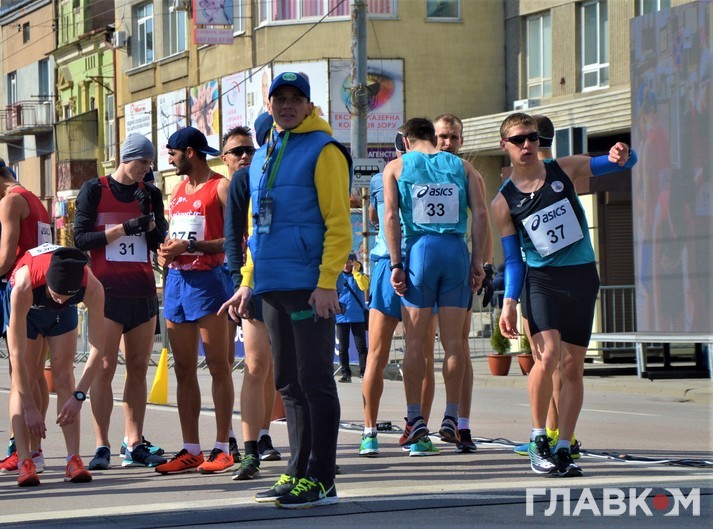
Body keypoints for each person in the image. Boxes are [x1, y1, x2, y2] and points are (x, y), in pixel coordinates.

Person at [220, 72, 352, 509]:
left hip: (309, 287)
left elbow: (339, 224)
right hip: (272, 285)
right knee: (289, 383)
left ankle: (322, 478)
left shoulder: (325, 150)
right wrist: (246, 281)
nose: (288, 105)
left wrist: (327, 282)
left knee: (315, 380)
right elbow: (258, 230)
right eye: (281, 99)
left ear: (309, 105)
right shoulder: (263, 155)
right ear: (270, 104)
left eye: (297, 99)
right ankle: (296, 471)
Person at [492, 112, 637, 477]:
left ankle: (563, 446)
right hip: (542, 281)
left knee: (573, 367)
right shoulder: (503, 202)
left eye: (532, 137)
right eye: (518, 140)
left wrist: (623, 154)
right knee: (548, 357)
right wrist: (508, 303)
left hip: (582, 276)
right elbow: (514, 260)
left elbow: (621, 163)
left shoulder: (564, 169)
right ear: (505, 145)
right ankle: (538, 438)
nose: (527, 145)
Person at [383, 118, 488, 458]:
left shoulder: (396, 167)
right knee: (455, 343)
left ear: (406, 140)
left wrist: (396, 264)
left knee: (416, 342)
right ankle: (452, 417)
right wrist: (478, 262)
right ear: (433, 137)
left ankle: (415, 418)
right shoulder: (463, 167)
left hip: (420, 252)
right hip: (455, 251)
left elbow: (390, 217)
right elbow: (481, 214)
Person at [73, 134, 168, 470]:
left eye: (150, 162)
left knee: (139, 370)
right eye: (142, 161)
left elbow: (158, 241)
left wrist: (150, 221)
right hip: (107, 293)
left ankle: (134, 442)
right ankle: (102, 445)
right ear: (126, 158)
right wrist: (123, 228)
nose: (146, 168)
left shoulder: (150, 193)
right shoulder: (95, 189)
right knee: (104, 368)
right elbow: (80, 238)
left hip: (142, 292)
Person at [155, 126, 235, 475]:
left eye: (172, 153)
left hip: (209, 281)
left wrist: (190, 246)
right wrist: (166, 252)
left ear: (189, 152)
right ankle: (191, 449)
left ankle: (223, 447)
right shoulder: (176, 190)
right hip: (176, 281)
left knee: (218, 366)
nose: (169, 159)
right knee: (184, 368)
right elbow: (176, 236)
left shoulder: (221, 186)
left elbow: (236, 239)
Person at [358, 131, 439, 458]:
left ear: (401, 147)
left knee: (376, 355)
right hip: (420, 264)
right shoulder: (439, 174)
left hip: (385, 264)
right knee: (423, 356)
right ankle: (418, 435)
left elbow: (377, 217)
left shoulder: (382, 177)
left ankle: (369, 434)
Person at [6, 245, 105, 486]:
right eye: (57, 295)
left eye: (67, 296)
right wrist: (30, 408)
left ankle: (73, 459)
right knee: (26, 377)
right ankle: (25, 460)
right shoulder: (24, 285)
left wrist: (79, 396)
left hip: (62, 316)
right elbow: (15, 355)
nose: (60, 300)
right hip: (30, 312)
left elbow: (98, 347)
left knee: (64, 377)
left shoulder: (92, 286)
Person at [512, 115, 581, 458]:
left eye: (528, 138)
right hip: (557, 278)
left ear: (537, 139)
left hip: (540, 278)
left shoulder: (546, 175)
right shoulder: (559, 173)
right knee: (559, 362)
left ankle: (553, 433)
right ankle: (558, 433)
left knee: (546, 359)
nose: (525, 144)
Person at [221, 119, 281, 483]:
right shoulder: (244, 179)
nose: (245, 156)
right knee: (257, 366)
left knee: (293, 369)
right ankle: (250, 451)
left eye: (249, 150)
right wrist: (236, 281)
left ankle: (306, 450)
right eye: (238, 151)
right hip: (253, 283)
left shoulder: (305, 164)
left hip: (295, 280)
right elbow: (233, 236)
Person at [433, 113, 494, 453]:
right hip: (423, 268)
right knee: (421, 348)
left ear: (462, 141)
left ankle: (462, 424)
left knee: (459, 347)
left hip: (457, 265)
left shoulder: (469, 173)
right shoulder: (417, 167)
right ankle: (418, 424)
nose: (447, 143)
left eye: (453, 137)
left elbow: (483, 219)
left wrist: (484, 265)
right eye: (442, 136)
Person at [0, 158, 52, 473]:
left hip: (21, 288)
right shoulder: (35, 199)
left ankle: (26, 452)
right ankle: (34, 449)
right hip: (42, 289)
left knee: (20, 373)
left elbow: (7, 258)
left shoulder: (10, 201)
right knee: (34, 373)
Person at [335, 253, 369, 382]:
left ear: (354, 262)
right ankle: (345, 373)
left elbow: (364, 286)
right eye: (344, 262)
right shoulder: (337, 276)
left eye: (349, 261)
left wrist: (356, 273)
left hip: (357, 316)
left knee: (361, 346)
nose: (346, 264)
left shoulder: (360, 275)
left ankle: (364, 372)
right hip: (341, 316)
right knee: (343, 348)